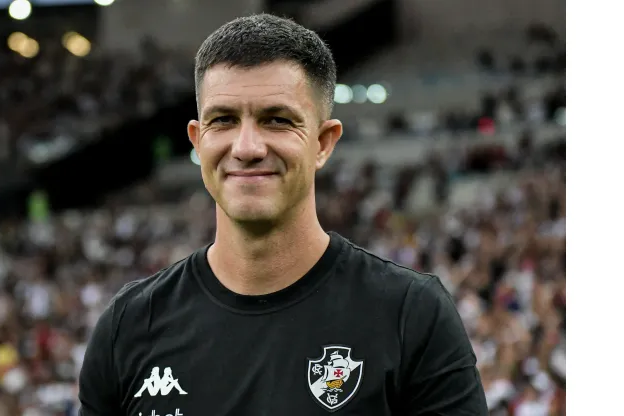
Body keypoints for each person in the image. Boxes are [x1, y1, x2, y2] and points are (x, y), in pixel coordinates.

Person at [78, 14, 488, 415]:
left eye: (277, 120)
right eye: (223, 120)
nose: (247, 147)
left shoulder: (410, 315)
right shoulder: (129, 325)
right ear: (198, 141)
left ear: (324, 143)